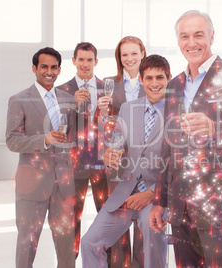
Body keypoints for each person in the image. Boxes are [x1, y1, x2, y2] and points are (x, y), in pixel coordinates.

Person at [149, 10, 222, 267]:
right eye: (184, 36)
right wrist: (159, 201)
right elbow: (169, 145)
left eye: (198, 35)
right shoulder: (174, 85)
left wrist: (216, 129)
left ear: (211, 36)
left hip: (220, 204)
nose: (192, 42)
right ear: (178, 42)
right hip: (179, 204)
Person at [81, 54, 171, 268]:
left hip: (156, 196)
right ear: (140, 80)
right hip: (126, 194)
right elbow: (116, 142)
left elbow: (182, 164)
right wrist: (110, 153)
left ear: (169, 78)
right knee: (89, 242)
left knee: (152, 238)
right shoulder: (128, 109)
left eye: (160, 77)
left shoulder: (179, 112)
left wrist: (152, 194)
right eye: (148, 78)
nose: (154, 83)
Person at [6, 47, 76, 267]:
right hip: (32, 183)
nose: (49, 71)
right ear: (34, 68)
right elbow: (12, 140)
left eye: (54, 67)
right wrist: (44, 139)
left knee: (66, 243)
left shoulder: (68, 100)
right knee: (27, 241)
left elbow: (72, 137)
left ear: (59, 69)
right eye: (44, 66)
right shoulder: (19, 99)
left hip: (63, 183)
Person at [57, 42, 111, 260]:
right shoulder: (61, 91)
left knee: (107, 218)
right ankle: (69, 263)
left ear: (96, 62)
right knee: (71, 219)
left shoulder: (107, 89)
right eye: (81, 59)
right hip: (73, 165)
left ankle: (104, 262)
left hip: (102, 164)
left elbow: (114, 129)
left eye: (90, 60)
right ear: (74, 62)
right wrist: (71, 103)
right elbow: (58, 130)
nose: (85, 64)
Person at [99, 36, 147, 267]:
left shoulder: (153, 82)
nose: (129, 59)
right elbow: (102, 126)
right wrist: (100, 113)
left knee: (143, 219)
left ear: (142, 54)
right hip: (118, 161)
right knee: (118, 218)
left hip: (147, 160)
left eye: (133, 53)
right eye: (124, 54)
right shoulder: (109, 83)